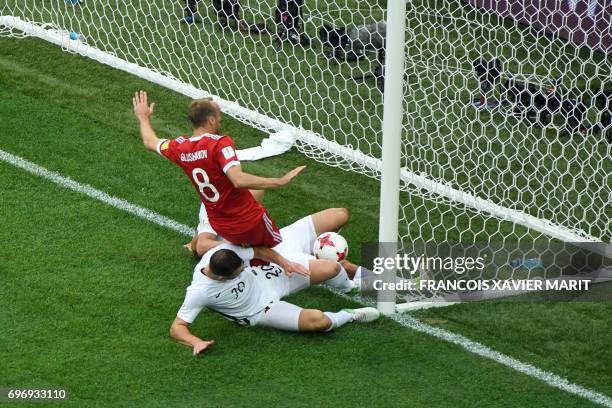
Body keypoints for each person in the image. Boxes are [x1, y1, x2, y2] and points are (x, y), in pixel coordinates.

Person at [132, 91, 305, 248]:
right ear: (211, 120)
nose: (220, 119)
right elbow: (238, 180)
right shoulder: (219, 143)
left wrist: (143, 118)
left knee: (255, 193)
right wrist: (279, 181)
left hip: (216, 220)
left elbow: (149, 141)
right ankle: (228, 247)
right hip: (242, 220)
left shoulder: (180, 146)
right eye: (219, 115)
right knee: (277, 248)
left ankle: (211, 243)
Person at [170, 229, 379, 355]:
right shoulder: (199, 292)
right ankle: (349, 315)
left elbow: (259, 251)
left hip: (268, 279)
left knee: (332, 268)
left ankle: (351, 288)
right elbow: (177, 327)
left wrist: (286, 264)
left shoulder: (221, 253)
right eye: (239, 271)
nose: (243, 269)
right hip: (261, 310)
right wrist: (196, 342)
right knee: (319, 321)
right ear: (223, 278)